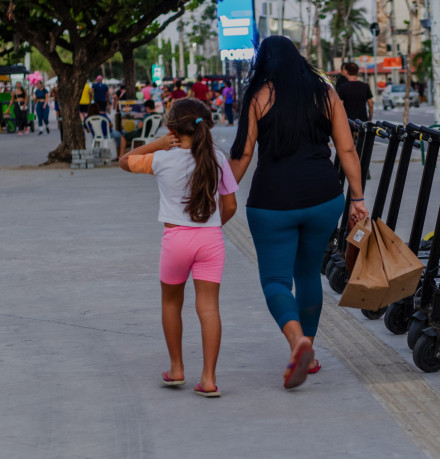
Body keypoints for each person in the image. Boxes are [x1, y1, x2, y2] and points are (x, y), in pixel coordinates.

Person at [229, 36, 368, 390]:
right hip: (323, 197)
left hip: (272, 202)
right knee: (308, 275)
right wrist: (357, 198)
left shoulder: (259, 96)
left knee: (276, 281)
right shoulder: (326, 94)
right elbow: (347, 148)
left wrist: (221, 198)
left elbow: (243, 155)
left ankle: (297, 342)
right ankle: (312, 351)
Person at [119, 99, 238, 398]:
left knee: (171, 303)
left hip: (175, 241)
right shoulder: (217, 160)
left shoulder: (161, 159)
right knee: (209, 308)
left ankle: (176, 368)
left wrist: (156, 143)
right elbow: (231, 205)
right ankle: (209, 379)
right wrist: (211, 228)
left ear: (172, 129)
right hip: (210, 240)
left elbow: (124, 161)